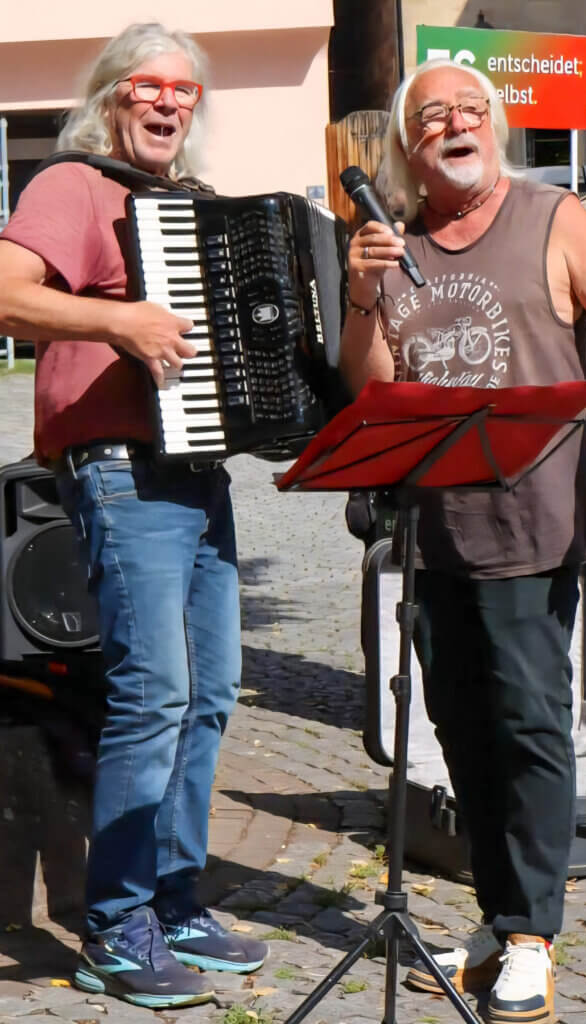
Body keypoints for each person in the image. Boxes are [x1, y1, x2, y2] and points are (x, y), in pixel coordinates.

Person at [339, 58, 586, 1024]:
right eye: (432, 114)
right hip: (432, 531)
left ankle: (532, 935)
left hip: (533, 527)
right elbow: (371, 391)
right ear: (409, 147)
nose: (454, 122)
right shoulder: (392, 245)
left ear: (495, 123)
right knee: (459, 728)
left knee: (528, 730)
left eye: (469, 108)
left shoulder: (552, 218)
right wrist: (361, 301)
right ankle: (498, 915)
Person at [0, 22, 267, 1009]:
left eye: (184, 92)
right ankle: (114, 928)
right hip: (117, 470)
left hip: (199, 476)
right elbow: (6, 296)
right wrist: (119, 318)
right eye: (147, 86)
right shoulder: (71, 186)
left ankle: (173, 896)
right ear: (111, 95)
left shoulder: (189, 207)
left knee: (209, 696)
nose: (167, 103)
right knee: (152, 696)